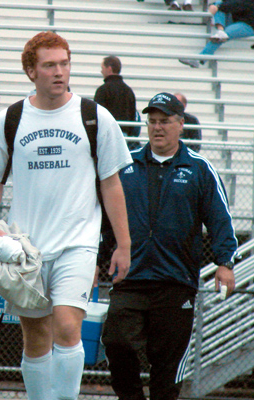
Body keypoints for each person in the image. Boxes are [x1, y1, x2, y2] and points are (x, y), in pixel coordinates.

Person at [0, 31, 132, 400]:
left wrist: (123, 243)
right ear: (31, 71)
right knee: (36, 336)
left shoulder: (95, 117)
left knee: (65, 325)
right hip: (26, 249)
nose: (59, 72)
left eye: (64, 63)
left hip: (78, 243)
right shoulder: (9, 119)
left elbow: (111, 185)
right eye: (49, 65)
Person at [101, 92, 238, 400]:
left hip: (176, 283)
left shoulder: (200, 169)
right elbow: (103, 220)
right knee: (116, 344)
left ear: (180, 125)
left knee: (167, 368)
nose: (157, 128)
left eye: (164, 122)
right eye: (152, 122)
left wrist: (225, 262)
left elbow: (219, 219)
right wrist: (99, 259)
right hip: (129, 279)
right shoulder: (125, 166)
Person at [179, 0, 254, 68]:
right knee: (218, 3)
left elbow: (240, 5)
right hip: (238, 20)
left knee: (220, 37)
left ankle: (199, 59)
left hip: (249, 25)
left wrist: (218, 7)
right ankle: (220, 30)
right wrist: (215, 6)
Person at [94, 55, 139, 150]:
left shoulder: (102, 90)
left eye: (102, 68)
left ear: (109, 68)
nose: (101, 71)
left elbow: (97, 116)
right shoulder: (128, 91)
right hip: (125, 138)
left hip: (107, 138)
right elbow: (132, 115)